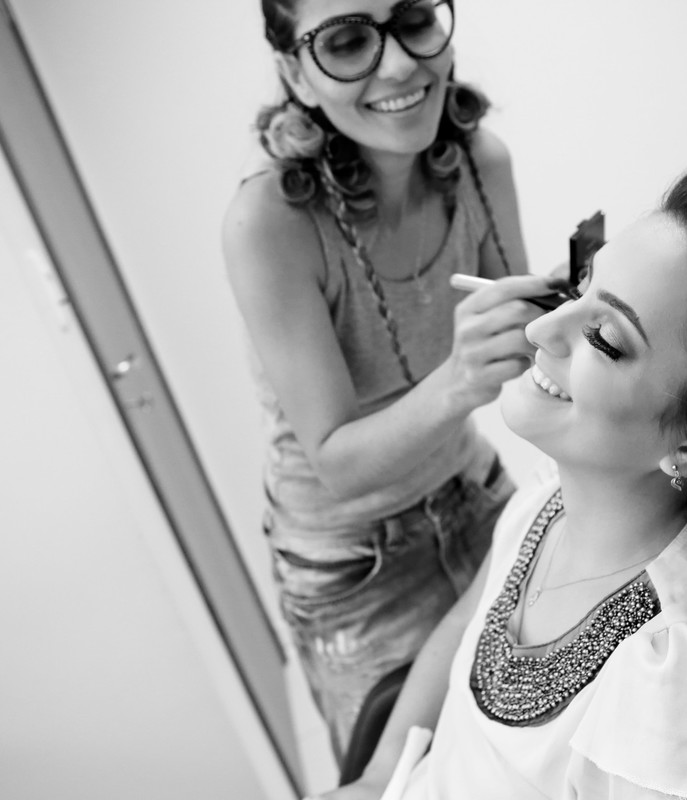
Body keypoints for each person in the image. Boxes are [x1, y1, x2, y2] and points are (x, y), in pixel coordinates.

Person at [316, 152, 687, 799]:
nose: (540, 327)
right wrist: (377, 777)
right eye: (580, 289)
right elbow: (462, 628)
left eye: (605, 338)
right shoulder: (541, 502)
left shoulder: (680, 675)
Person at [221, 0, 557, 759]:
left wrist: (567, 320)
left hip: (474, 493)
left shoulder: (480, 163)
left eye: (412, 19)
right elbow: (337, 464)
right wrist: (461, 378)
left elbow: (523, 349)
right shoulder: (269, 222)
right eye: (347, 41)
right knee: (406, 775)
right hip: (352, 566)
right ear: (295, 75)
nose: (401, 64)